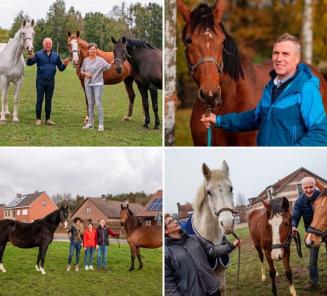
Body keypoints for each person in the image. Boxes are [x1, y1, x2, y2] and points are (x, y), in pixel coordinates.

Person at [200, 33, 327, 146]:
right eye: (276, 53)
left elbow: (321, 133)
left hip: (290, 166)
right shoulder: (271, 86)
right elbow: (256, 118)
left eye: (285, 54)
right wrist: (218, 120)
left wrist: (292, 155)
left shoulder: (306, 89)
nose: (279, 58)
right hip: (266, 162)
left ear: (297, 58)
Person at [165, 214, 240, 296]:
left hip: (213, 289)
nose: (175, 221)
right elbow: (169, 284)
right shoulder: (167, 252)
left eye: (174, 219)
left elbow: (212, 250)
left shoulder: (194, 238)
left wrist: (232, 245)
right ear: (165, 231)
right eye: (170, 222)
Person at [26, 37, 69, 126]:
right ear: (43, 44)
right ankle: (38, 119)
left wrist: (65, 65)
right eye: (46, 44)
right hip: (40, 81)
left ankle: (48, 119)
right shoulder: (38, 54)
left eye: (49, 44)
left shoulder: (56, 55)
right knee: (39, 100)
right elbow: (29, 64)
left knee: (48, 101)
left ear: (51, 45)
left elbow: (60, 68)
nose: (48, 45)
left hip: (51, 82)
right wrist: (30, 58)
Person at [292, 177, 321, 291]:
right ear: (302, 188)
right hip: (312, 232)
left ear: (315, 186)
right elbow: (295, 215)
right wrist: (293, 225)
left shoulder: (322, 195)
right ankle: (314, 282)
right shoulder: (299, 201)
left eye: (311, 187)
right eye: (306, 188)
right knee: (312, 260)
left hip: (325, 230)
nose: (309, 190)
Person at [80, 43, 113, 131]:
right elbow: (81, 70)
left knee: (98, 104)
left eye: (93, 49)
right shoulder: (85, 60)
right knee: (90, 104)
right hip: (87, 84)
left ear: (96, 50)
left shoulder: (101, 60)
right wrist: (85, 73)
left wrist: (112, 63)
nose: (92, 50)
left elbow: (107, 66)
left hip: (98, 84)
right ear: (88, 51)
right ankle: (90, 124)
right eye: (90, 49)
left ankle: (101, 125)